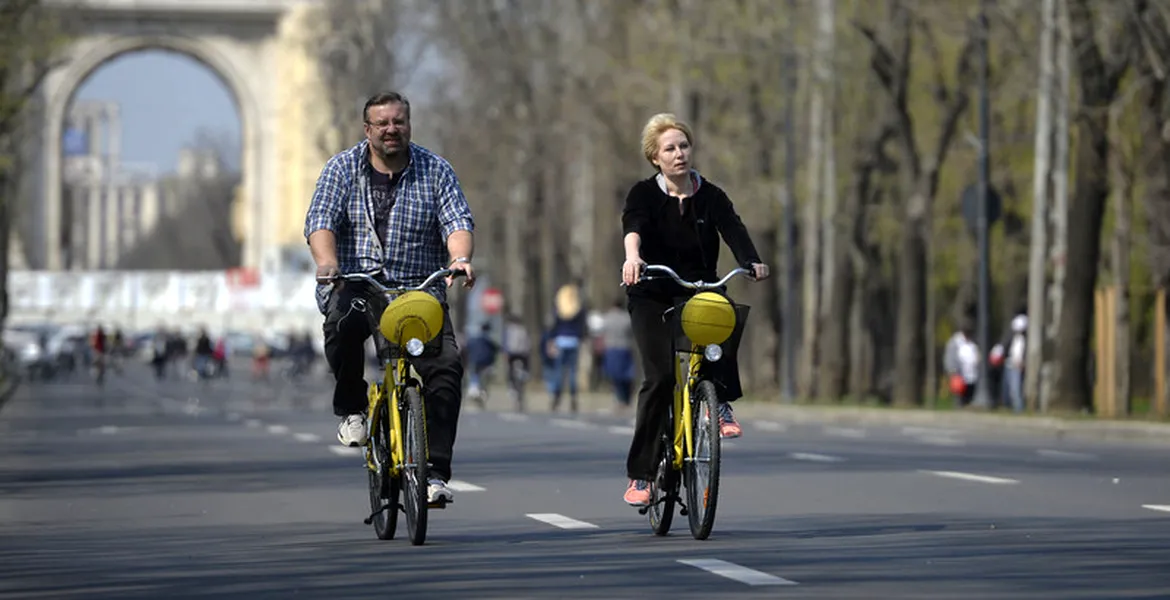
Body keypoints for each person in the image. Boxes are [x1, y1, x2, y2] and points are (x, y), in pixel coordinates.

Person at [304, 91, 475, 505]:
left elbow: (457, 219)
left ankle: (434, 473)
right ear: (368, 130)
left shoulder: (435, 169)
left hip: (418, 288)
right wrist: (328, 264)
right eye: (382, 124)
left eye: (398, 122)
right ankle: (352, 409)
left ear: (409, 125)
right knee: (342, 324)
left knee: (446, 367)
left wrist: (460, 258)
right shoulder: (341, 169)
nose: (391, 130)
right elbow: (320, 220)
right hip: (359, 283)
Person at [619, 113, 770, 507]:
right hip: (651, 291)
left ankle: (719, 403)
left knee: (725, 314)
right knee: (659, 378)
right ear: (655, 157)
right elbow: (632, 227)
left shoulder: (711, 195)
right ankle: (642, 476)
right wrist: (632, 259)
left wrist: (751, 260)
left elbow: (733, 228)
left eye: (683, 145)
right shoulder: (643, 194)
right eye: (669, 148)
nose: (679, 154)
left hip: (698, 289)